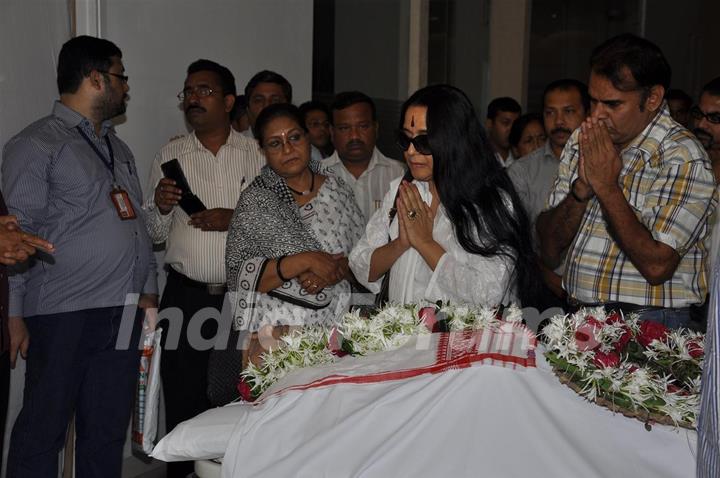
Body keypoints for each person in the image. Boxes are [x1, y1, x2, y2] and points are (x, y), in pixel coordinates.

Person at [2, 35, 158, 477]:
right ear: (95, 78)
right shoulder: (35, 144)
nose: (126, 87)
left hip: (124, 309)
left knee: (107, 431)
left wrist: (148, 292)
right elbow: (15, 236)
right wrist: (13, 313)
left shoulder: (117, 147)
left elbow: (137, 225)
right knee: (42, 430)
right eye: (120, 76)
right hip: (64, 312)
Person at [536, 34, 716, 329]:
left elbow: (657, 266)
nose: (597, 115)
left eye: (612, 104)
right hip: (578, 316)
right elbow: (549, 249)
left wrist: (607, 188)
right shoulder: (584, 138)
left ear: (653, 98)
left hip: (651, 323)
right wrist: (581, 190)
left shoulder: (682, 156)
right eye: (593, 101)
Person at [143, 59, 264, 478]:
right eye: (188, 91)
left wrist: (236, 218)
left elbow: (279, 223)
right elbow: (154, 231)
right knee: (182, 398)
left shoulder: (258, 153)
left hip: (243, 298)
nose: (193, 98)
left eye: (205, 90)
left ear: (230, 101)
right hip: (186, 296)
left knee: (241, 398)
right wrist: (159, 206)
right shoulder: (170, 154)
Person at [349, 85, 537, 307]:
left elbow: (488, 293)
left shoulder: (490, 202)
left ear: (454, 140)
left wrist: (425, 243)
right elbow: (360, 266)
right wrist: (402, 242)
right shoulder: (404, 189)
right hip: (401, 339)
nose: (410, 151)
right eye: (405, 139)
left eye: (423, 142)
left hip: (460, 341)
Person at [226, 103, 364, 366]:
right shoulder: (256, 201)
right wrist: (306, 261)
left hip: (334, 333)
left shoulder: (337, 190)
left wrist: (338, 268)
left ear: (307, 136)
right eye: (275, 143)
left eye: (294, 137)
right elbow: (240, 279)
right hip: (272, 340)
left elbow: (362, 259)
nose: (288, 149)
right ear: (262, 149)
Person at [508, 79, 590, 310]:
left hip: (596, 291)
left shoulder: (605, 163)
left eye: (569, 112)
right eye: (550, 113)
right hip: (540, 290)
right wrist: (549, 278)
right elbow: (513, 238)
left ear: (587, 113)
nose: (559, 121)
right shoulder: (523, 171)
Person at [325, 91, 406, 225]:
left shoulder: (399, 174)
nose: (354, 136)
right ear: (332, 133)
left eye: (363, 126)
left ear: (376, 128)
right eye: (344, 128)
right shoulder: (316, 174)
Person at [485, 96, 521, 168]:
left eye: (515, 124)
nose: (511, 129)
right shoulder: (476, 156)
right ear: (489, 124)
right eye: (506, 123)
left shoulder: (521, 156)